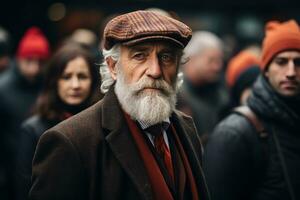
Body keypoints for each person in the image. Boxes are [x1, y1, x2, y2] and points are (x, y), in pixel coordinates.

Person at [29, 10, 210, 200]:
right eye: (140, 56)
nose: (155, 71)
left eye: (166, 57)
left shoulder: (186, 127)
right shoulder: (71, 142)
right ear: (113, 67)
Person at [204, 19, 300, 200]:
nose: (291, 72)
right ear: (266, 70)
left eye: (298, 62)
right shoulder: (235, 132)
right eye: (281, 62)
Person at [15, 43, 101, 200]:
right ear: (54, 81)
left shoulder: (104, 124)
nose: (75, 85)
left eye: (82, 76)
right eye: (66, 77)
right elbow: (25, 187)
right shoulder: (33, 129)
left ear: (93, 81)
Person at [0, 26, 50, 200]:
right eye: (28, 60)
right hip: (10, 169)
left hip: (41, 166)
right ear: (19, 58)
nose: (34, 68)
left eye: (40, 62)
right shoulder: (3, 88)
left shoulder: (49, 86)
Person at [177, 31, 229, 144]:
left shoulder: (220, 94)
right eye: (211, 60)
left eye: (220, 61)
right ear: (191, 59)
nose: (218, 67)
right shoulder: (176, 95)